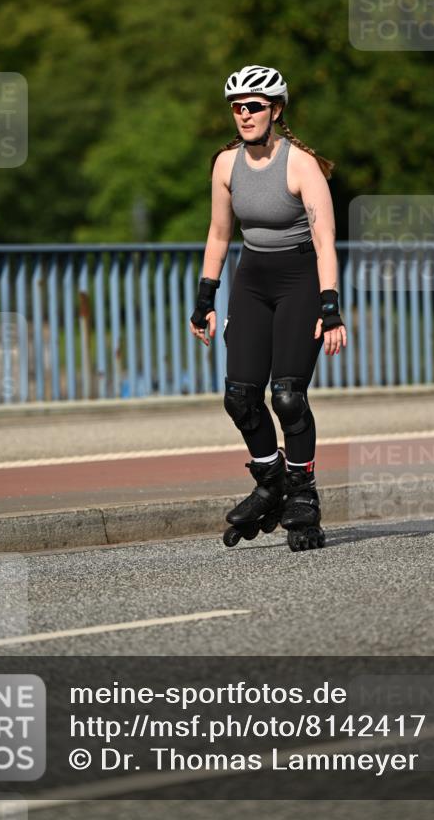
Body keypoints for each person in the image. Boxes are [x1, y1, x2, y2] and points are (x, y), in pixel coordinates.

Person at [189, 65, 347, 552]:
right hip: (252, 281)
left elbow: (324, 241)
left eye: (254, 106)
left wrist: (331, 306)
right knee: (239, 397)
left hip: (300, 280)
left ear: (275, 110)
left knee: (287, 397)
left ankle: (303, 495)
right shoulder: (225, 165)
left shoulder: (301, 165)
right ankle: (271, 479)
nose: (245, 114)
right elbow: (219, 234)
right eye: (237, 107)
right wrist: (204, 300)